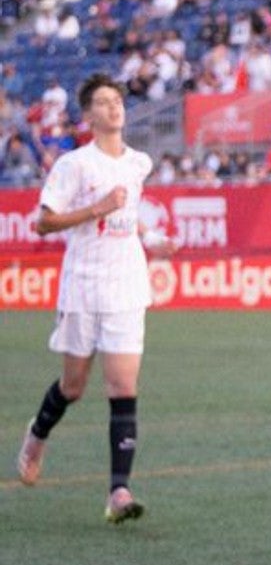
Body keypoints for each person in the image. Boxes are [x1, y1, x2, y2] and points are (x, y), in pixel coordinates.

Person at [14, 73, 174, 524]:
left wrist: (152, 238)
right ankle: (37, 434)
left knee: (123, 388)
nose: (114, 107)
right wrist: (95, 209)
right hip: (83, 283)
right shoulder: (74, 165)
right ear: (88, 116)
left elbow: (132, 215)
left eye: (117, 100)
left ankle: (119, 492)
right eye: (103, 102)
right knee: (74, 386)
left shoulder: (138, 163)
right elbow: (44, 223)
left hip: (127, 284)